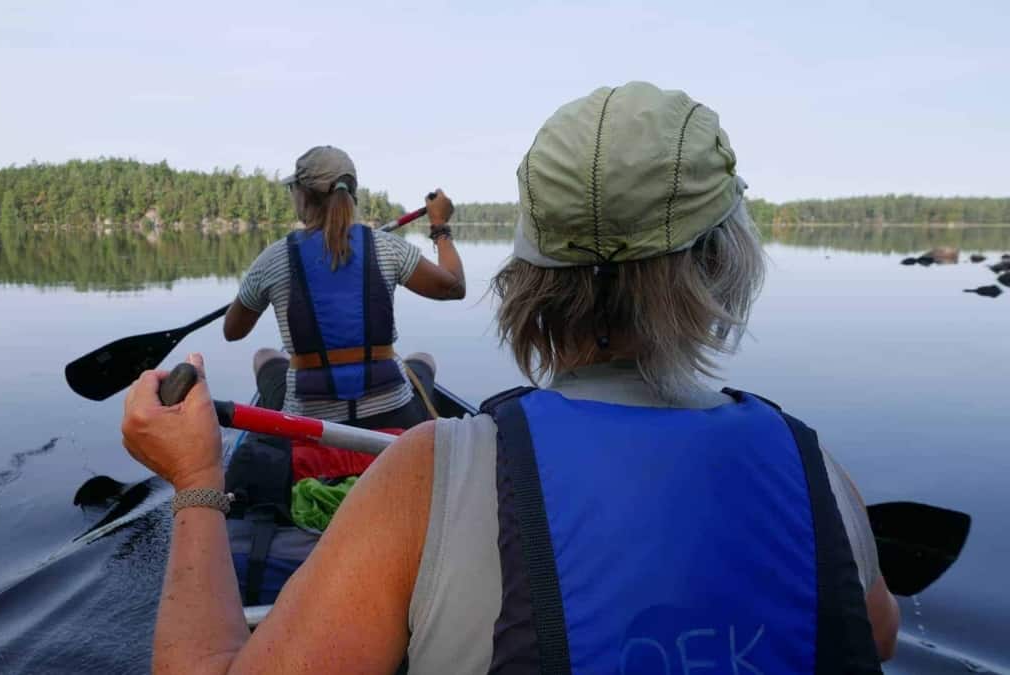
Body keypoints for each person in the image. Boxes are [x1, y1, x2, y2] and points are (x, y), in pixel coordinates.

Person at [121, 82, 899, 674]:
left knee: (268, 365)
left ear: (531, 275)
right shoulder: (820, 473)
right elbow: (879, 632)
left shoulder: (425, 468)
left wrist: (194, 474)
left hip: (327, 426)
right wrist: (443, 231)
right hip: (392, 405)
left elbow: (235, 333)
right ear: (726, 262)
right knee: (416, 366)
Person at [222, 145, 465, 430]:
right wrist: (439, 225)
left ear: (301, 195)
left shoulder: (273, 260)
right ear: (352, 194)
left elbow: (232, 331)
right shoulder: (386, 247)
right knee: (423, 360)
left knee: (265, 356)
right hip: (393, 412)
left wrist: (251, 292)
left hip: (309, 422)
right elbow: (455, 286)